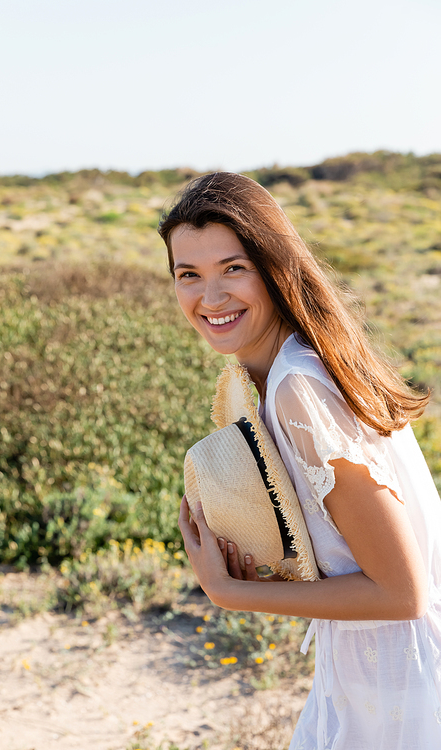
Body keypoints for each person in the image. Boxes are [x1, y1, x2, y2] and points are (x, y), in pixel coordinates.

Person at [158, 172, 441, 750]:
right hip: (364, 671)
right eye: (189, 275)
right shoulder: (269, 373)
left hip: (407, 682)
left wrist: (229, 591)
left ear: (273, 267)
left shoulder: (298, 389)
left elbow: (402, 592)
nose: (209, 299)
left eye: (233, 268)